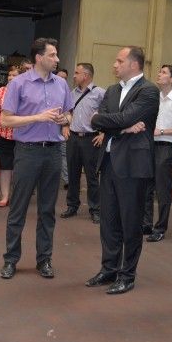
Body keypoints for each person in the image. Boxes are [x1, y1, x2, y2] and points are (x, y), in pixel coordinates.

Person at [86, 46, 159, 294]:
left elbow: (119, 118)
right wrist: (123, 127)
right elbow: (97, 120)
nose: (114, 65)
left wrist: (112, 123)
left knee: (130, 223)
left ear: (134, 64)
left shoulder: (148, 91)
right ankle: (109, 269)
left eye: (119, 61)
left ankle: (127, 275)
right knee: (108, 222)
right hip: (108, 163)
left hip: (132, 166)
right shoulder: (112, 90)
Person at [0, 38, 73, 280]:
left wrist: (64, 120)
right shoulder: (19, 84)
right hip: (28, 151)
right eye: (52, 55)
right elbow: (5, 120)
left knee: (47, 210)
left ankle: (45, 260)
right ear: (39, 58)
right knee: (18, 208)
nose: (57, 59)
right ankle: (10, 260)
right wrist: (37, 117)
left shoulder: (61, 84)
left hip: (53, 152)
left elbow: (69, 114)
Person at [143, 64, 172, 242]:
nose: (159, 74)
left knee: (162, 190)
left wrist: (162, 131)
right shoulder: (154, 98)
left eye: (163, 73)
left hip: (165, 148)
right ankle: (146, 224)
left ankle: (160, 228)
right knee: (146, 187)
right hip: (149, 146)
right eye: (159, 71)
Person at [60, 63, 105, 224]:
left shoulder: (100, 93)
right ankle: (72, 205)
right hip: (73, 138)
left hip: (90, 139)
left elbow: (109, 114)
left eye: (77, 73)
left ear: (85, 75)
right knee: (73, 174)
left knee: (92, 176)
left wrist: (104, 133)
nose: (74, 76)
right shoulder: (72, 94)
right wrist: (65, 126)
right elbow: (66, 112)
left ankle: (95, 209)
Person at [0, 65, 20, 207]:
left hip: (20, 136)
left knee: (19, 167)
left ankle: (17, 196)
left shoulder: (25, 92)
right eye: (9, 75)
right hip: (1, 134)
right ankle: (5, 196)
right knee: (5, 167)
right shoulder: (1, 91)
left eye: (14, 75)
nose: (11, 78)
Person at [56, 68, 70, 189]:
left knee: (64, 154)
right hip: (47, 132)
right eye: (60, 77)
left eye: (65, 78)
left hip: (62, 129)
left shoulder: (68, 93)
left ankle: (67, 180)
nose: (62, 80)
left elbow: (69, 112)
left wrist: (66, 125)